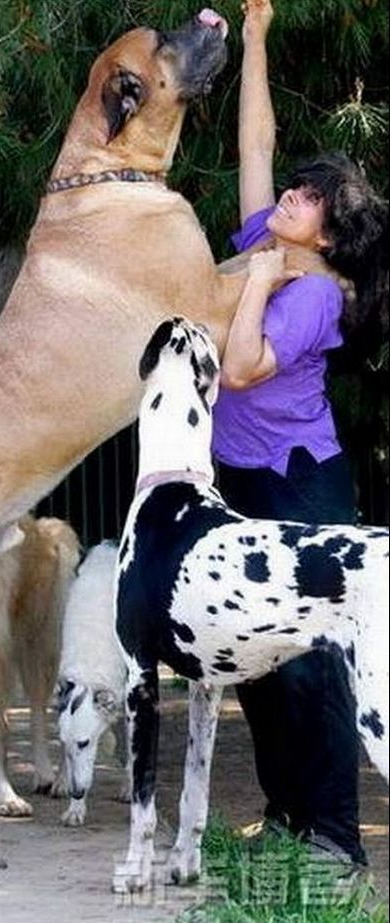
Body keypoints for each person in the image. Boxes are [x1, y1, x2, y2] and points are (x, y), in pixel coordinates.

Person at [213, 0, 388, 869]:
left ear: (330, 232)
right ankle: (286, 815)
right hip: (242, 475)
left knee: (315, 658)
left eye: (313, 197)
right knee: (256, 655)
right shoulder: (269, 242)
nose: (293, 194)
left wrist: (257, 280)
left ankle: (336, 839)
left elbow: (243, 369)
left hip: (300, 484)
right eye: (300, 185)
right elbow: (256, 148)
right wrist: (255, 38)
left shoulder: (313, 291)